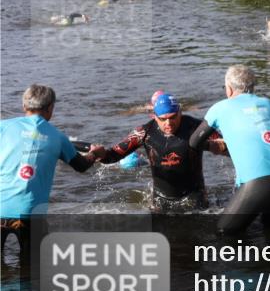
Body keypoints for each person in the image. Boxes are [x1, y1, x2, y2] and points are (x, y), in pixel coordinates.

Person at [0, 85, 102, 261]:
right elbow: (81, 165)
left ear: (24, 106)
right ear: (50, 108)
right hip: (30, 214)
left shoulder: (3, 127)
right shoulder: (58, 137)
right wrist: (95, 153)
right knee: (32, 269)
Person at [189, 65, 270, 235]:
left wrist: (216, 146)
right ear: (253, 86)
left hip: (257, 182)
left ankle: (246, 261)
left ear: (229, 89)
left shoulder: (220, 108)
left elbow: (194, 142)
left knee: (225, 233)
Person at [94, 93, 221, 211]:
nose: (168, 123)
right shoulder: (144, 132)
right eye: (163, 119)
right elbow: (112, 156)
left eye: (172, 117)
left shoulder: (197, 127)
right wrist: (100, 154)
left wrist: (221, 146)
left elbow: (229, 146)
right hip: (160, 199)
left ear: (180, 112)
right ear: (154, 116)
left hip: (194, 196)